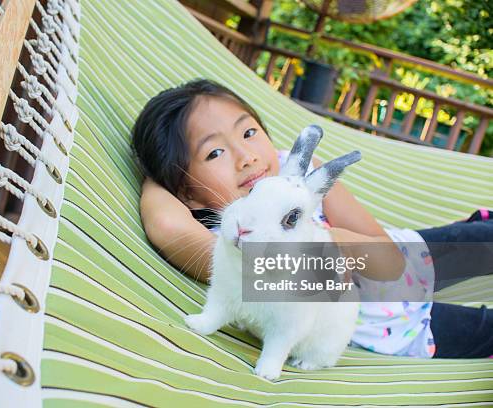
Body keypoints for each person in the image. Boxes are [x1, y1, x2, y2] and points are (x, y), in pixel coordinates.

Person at [131, 78, 493, 359]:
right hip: (402, 326)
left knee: (483, 240)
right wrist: (159, 173)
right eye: (215, 152)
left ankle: (474, 227)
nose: (247, 157)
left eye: (249, 132)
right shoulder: (233, 241)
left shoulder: (304, 178)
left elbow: (391, 260)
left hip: (408, 254)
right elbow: (166, 225)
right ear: (186, 191)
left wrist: (341, 243)